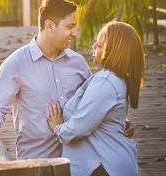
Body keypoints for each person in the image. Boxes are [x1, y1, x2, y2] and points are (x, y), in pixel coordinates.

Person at [0, 0, 91, 159]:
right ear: (49, 25)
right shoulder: (16, 64)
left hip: (79, 161)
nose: (75, 33)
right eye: (70, 27)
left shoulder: (79, 63)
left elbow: (93, 102)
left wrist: (119, 120)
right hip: (36, 162)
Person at [44, 21, 145, 176]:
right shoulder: (116, 80)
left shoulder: (105, 81)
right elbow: (99, 114)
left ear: (112, 50)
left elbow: (79, 126)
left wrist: (58, 128)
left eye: (99, 44)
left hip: (103, 166)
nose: (93, 47)